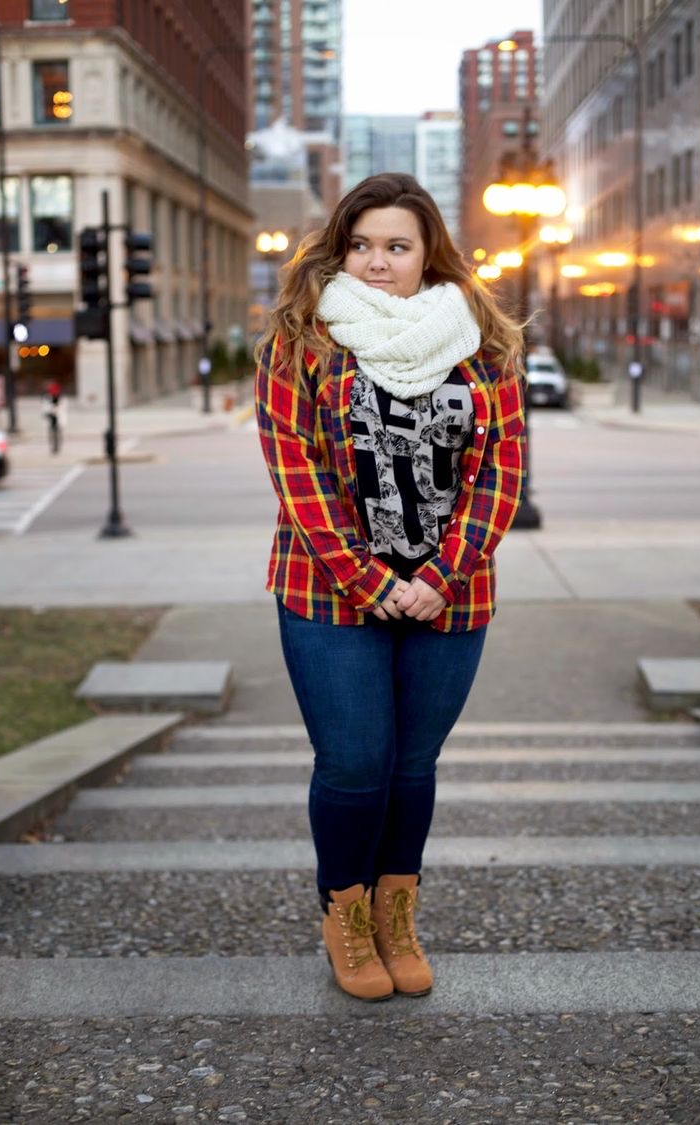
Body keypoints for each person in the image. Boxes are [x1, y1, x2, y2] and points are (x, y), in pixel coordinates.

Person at [255, 172, 526, 1002]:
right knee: (353, 764)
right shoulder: (299, 343)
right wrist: (368, 579)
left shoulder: (483, 346)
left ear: (428, 253)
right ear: (339, 251)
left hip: (453, 595)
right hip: (328, 592)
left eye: (397, 246)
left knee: (412, 765)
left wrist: (442, 575)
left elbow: (502, 472)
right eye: (361, 245)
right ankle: (346, 915)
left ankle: (396, 914)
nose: (377, 262)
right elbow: (296, 474)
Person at [41, 380, 65, 455]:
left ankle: (57, 447)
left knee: (57, 433)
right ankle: (53, 447)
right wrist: (50, 411)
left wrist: (54, 410)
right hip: (51, 418)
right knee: (51, 433)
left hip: (58, 418)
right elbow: (45, 408)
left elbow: (62, 408)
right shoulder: (47, 398)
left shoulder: (61, 398)